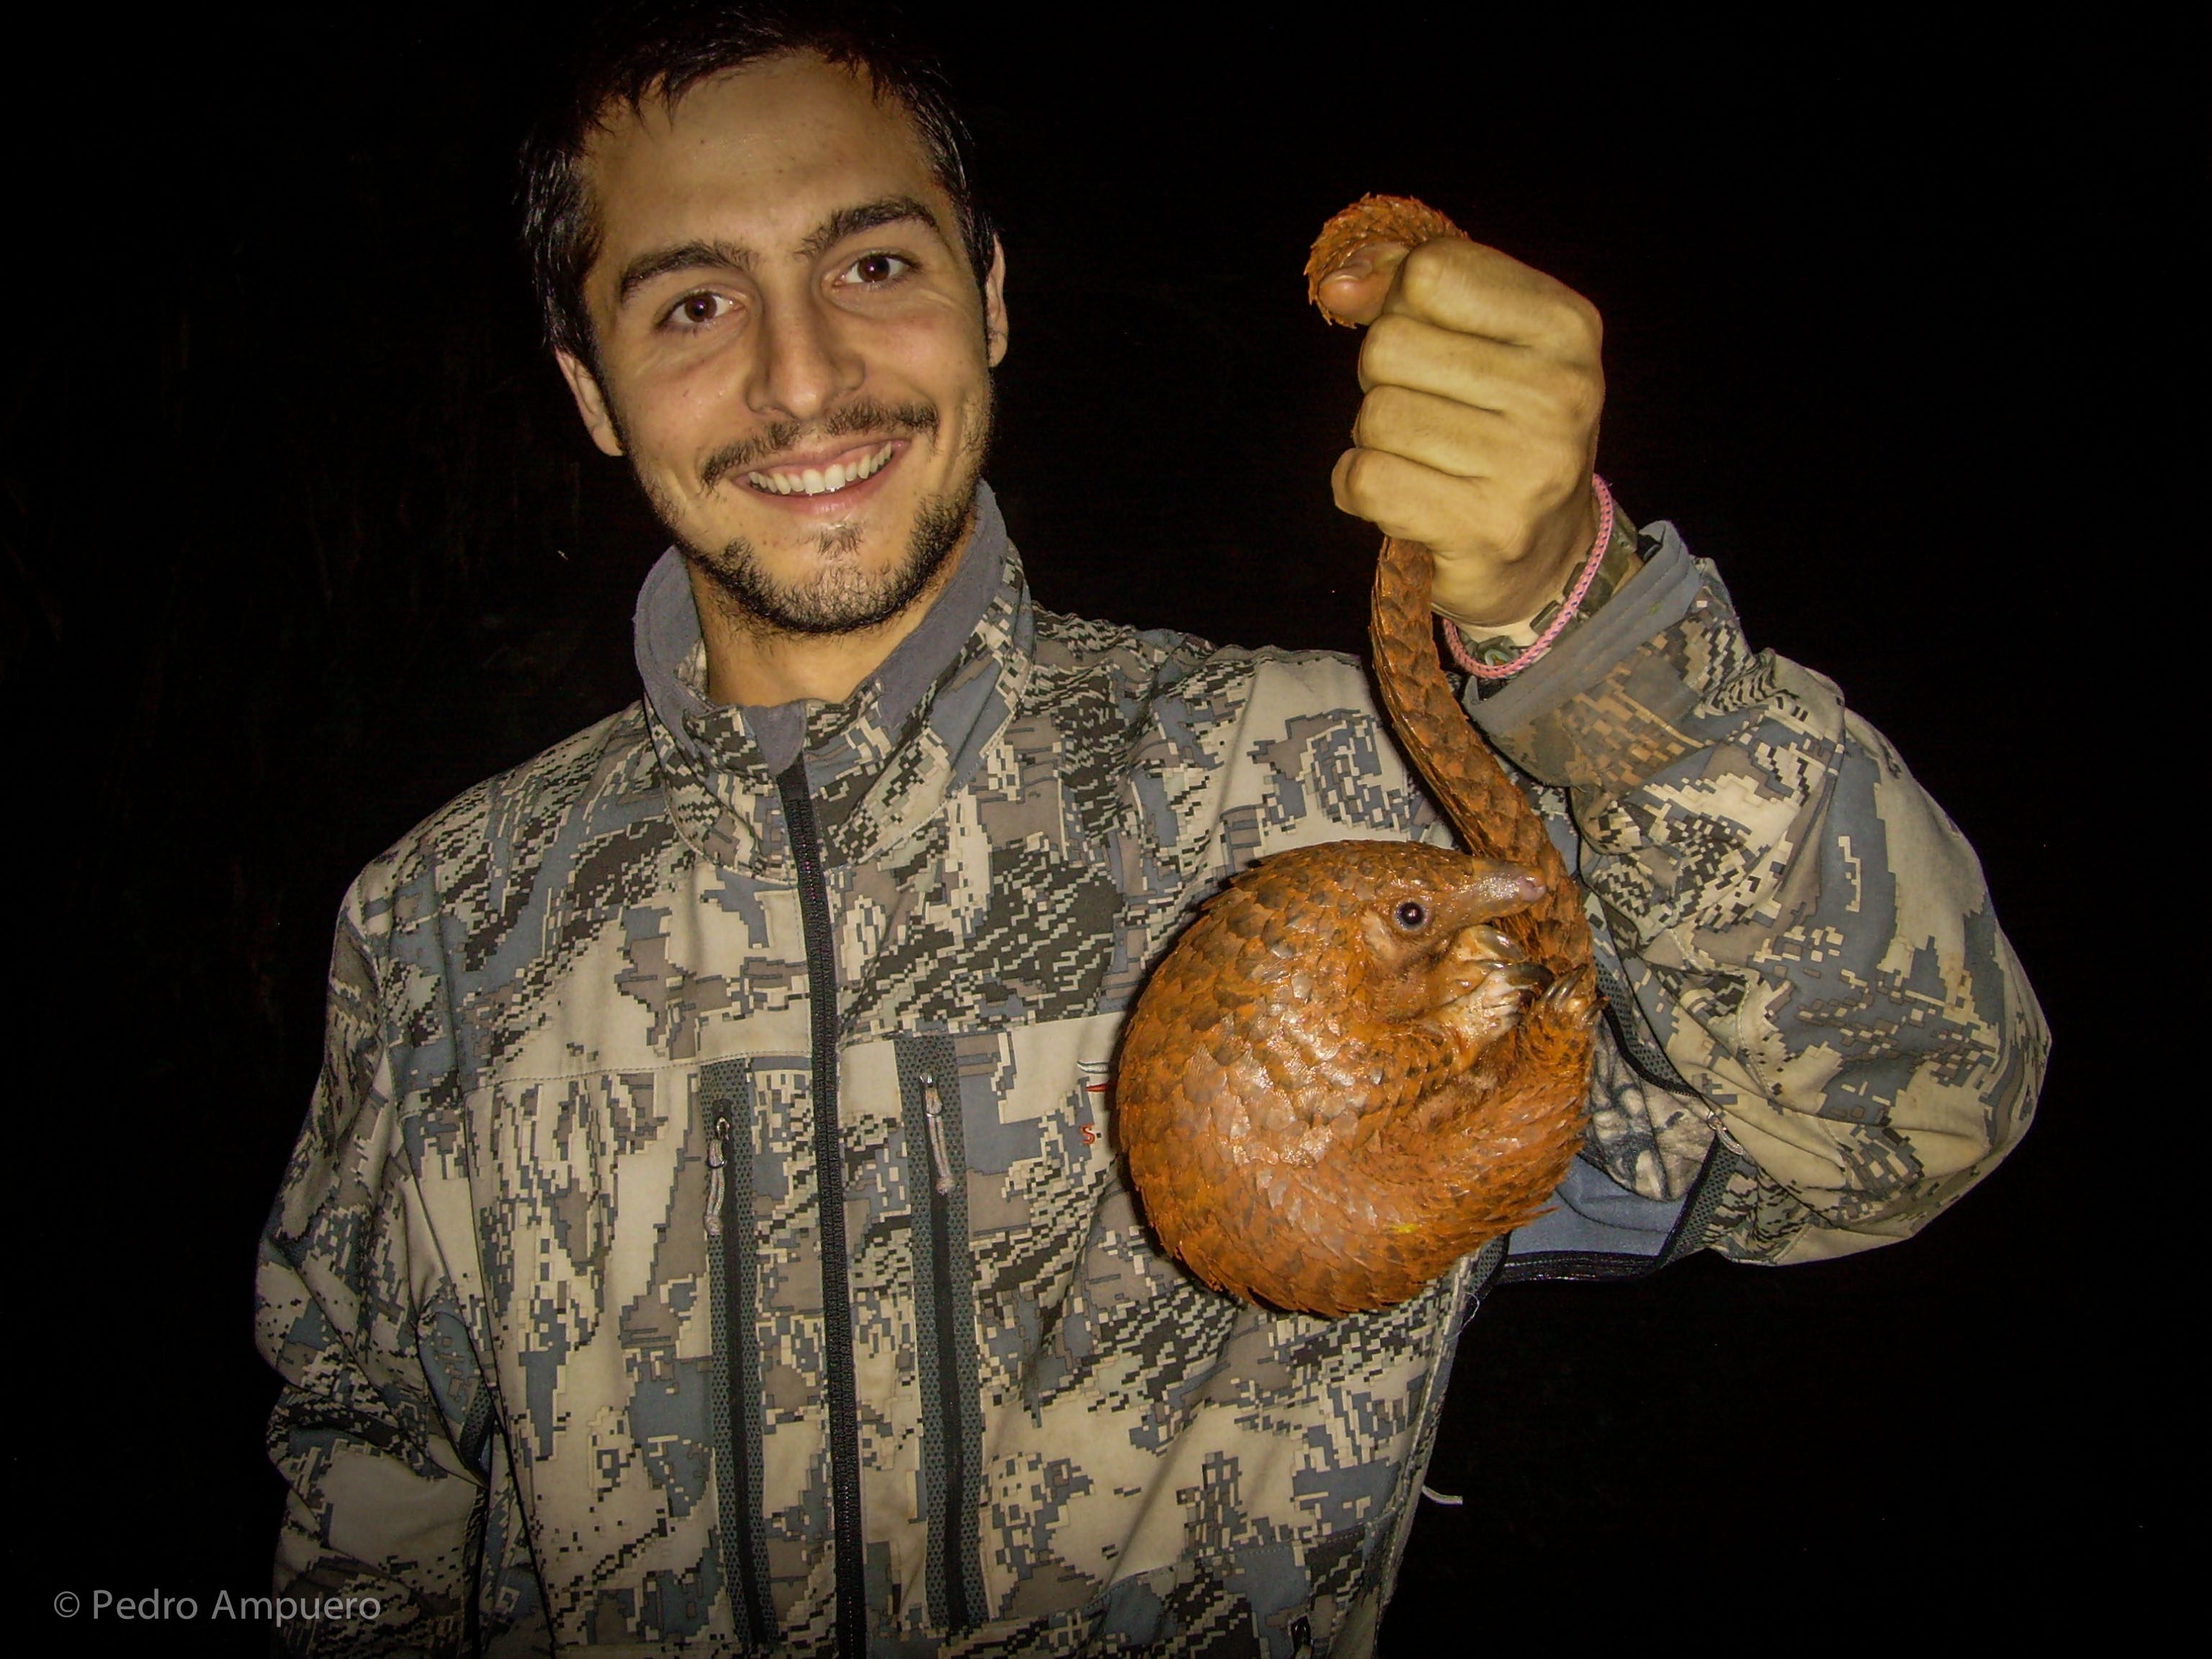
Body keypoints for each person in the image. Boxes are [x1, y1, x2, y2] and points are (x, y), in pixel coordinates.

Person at [254, 6, 2046, 1654]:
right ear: (590, 389)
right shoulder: (445, 926)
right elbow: (367, 1507)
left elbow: (1903, 1122)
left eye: (872, 264)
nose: (803, 379)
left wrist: (1577, 625)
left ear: (991, 299)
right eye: (693, 305)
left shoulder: (1352, 795)